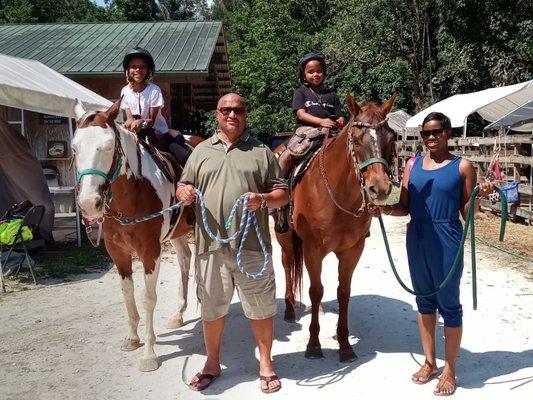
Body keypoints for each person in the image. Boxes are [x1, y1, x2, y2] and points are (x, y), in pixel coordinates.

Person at [368, 112, 494, 396]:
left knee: (449, 303)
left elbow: (467, 214)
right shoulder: (412, 165)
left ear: (448, 132)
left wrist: (478, 197)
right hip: (417, 237)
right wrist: (384, 209)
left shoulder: (463, 166)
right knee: (423, 301)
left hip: (448, 236)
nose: (431, 137)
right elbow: (405, 206)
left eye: (436, 131)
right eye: (426, 133)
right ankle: (429, 362)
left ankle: (450, 369)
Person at [176, 93, 289, 394]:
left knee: (261, 307)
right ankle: (212, 363)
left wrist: (262, 199)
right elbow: (184, 184)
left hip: (251, 246)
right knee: (212, 308)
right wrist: (184, 191)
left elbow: (283, 194)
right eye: (226, 110)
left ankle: (266, 363)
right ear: (217, 114)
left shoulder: (261, 151)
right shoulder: (200, 151)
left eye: (237, 110)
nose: (231, 115)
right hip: (209, 248)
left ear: (245, 114)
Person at [275, 52, 346, 233]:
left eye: (319, 71)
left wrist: (340, 121)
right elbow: (300, 114)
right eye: (311, 71)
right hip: (307, 132)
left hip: (332, 132)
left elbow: (340, 115)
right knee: (286, 157)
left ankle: (360, 205)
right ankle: (278, 198)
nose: (315, 75)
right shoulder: (301, 92)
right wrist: (321, 122)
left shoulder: (331, 93)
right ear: (304, 74)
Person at [120, 47, 190, 165]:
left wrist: (140, 122)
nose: (137, 70)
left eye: (142, 67)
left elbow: (151, 121)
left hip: (157, 133)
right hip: (135, 134)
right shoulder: (124, 91)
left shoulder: (154, 90)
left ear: (148, 70)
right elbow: (129, 117)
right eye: (134, 67)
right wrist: (128, 122)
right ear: (128, 70)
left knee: (182, 157)